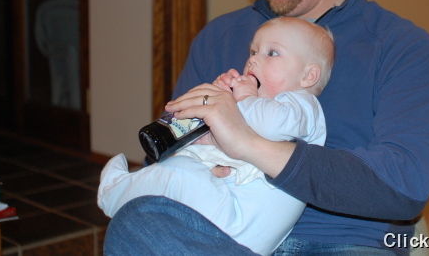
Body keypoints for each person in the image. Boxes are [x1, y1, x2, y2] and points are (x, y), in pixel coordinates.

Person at [104, 0, 429, 255]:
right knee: (132, 225)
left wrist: (248, 144)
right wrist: (193, 157)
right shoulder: (219, 37)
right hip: (219, 229)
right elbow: (164, 155)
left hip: (342, 239)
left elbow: (405, 187)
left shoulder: (400, 46)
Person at [98, 17, 333, 255]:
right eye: (253, 51)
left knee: (180, 174)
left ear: (308, 76)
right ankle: (128, 191)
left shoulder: (303, 105)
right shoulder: (257, 106)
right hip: (222, 214)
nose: (252, 60)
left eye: (272, 53)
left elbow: (270, 126)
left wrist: (242, 98)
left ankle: (115, 192)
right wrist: (217, 98)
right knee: (178, 166)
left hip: (238, 224)